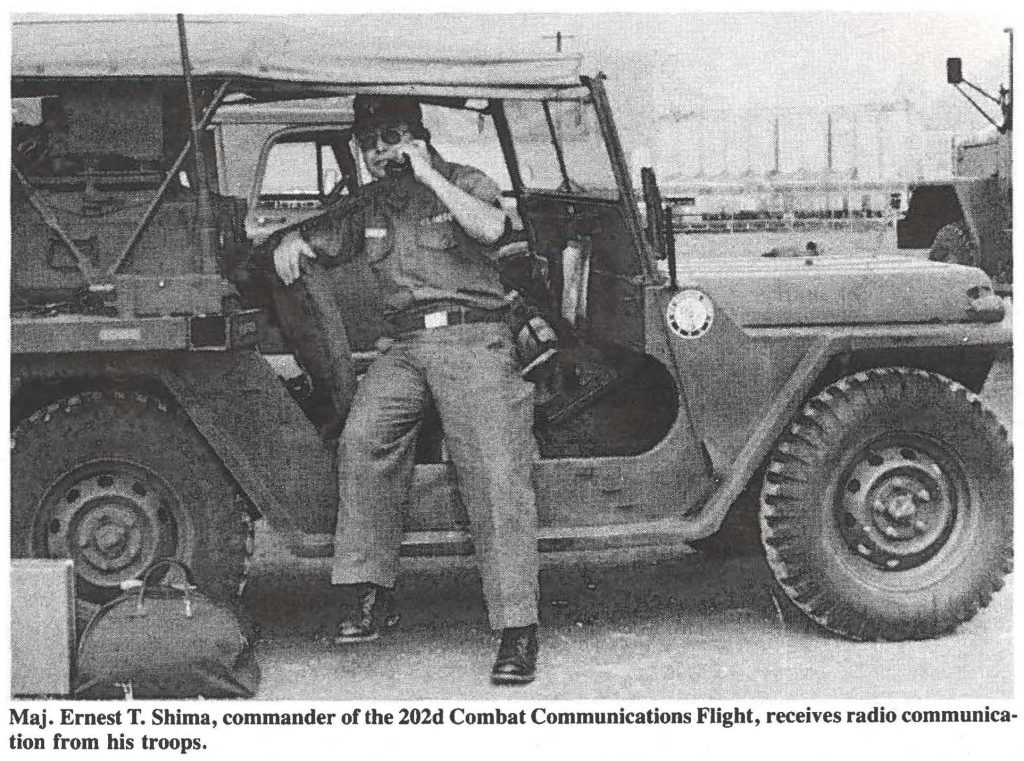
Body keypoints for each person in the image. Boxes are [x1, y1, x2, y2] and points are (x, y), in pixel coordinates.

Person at [272, 95, 540, 684]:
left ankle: (517, 628)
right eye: (370, 144)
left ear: (419, 137)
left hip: (475, 339)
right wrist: (292, 243)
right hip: (404, 349)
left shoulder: (464, 183)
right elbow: (318, 238)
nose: (382, 152)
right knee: (362, 441)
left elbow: (492, 228)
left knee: (494, 466)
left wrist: (427, 174)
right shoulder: (370, 203)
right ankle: (367, 593)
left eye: (394, 137)